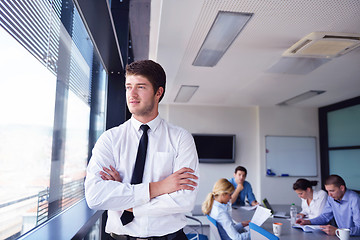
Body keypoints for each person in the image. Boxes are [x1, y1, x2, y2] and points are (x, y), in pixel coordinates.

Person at [85, 60, 199, 240]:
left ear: (158, 92)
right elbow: (95, 196)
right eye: (128, 87)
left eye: (141, 87)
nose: (132, 94)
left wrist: (125, 201)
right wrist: (160, 187)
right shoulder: (110, 139)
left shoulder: (180, 138)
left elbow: (184, 200)